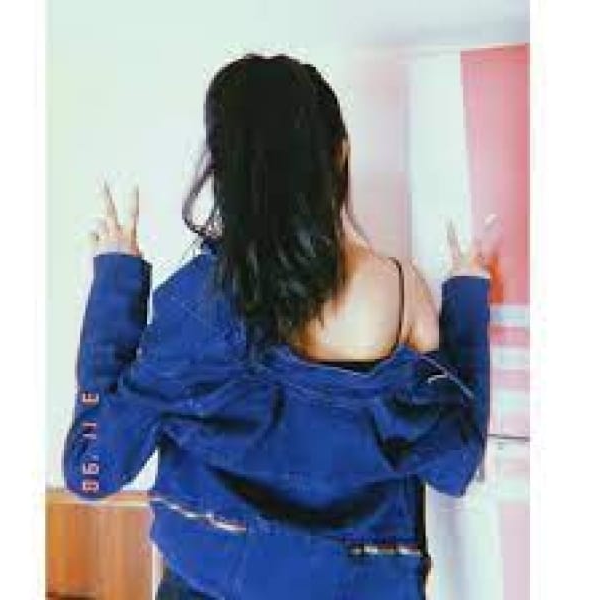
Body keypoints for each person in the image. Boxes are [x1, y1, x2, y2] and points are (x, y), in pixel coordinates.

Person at [62, 53, 493, 600]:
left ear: (224, 173)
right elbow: (456, 461)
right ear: (340, 154)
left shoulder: (196, 303)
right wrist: (467, 296)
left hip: (209, 580)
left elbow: (91, 471)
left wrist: (116, 282)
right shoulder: (400, 292)